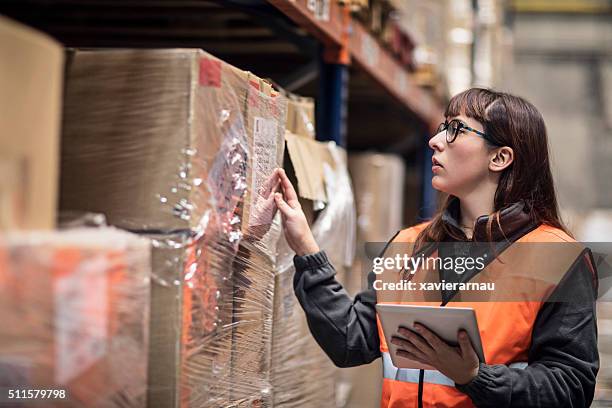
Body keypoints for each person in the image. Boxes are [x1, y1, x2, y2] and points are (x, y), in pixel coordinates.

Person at [273, 88, 599, 408]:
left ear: (500, 158)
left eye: (455, 128)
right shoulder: (408, 246)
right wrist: (306, 248)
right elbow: (349, 341)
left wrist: (474, 376)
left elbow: (570, 389)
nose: (435, 140)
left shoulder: (558, 259)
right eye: (443, 126)